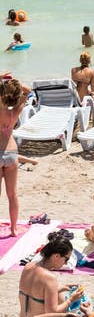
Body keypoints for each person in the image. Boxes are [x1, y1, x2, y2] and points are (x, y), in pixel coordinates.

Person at [18, 233, 81, 317]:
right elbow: (52, 312)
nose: (66, 263)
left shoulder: (28, 266)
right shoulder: (49, 278)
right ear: (56, 256)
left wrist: (60, 288)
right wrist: (71, 299)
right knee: (63, 298)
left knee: (60, 292)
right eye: (66, 259)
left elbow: (34, 294)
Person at [0, 77, 30, 234]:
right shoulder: (16, 111)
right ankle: (13, 228)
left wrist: (2, 79)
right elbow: (28, 91)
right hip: (11, 153)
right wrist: (16, 83)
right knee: (12, 195)